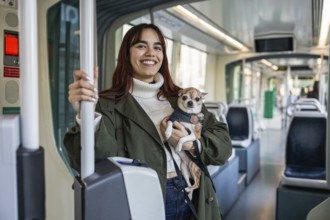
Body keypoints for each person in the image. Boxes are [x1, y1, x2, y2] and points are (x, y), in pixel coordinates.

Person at [64, 23, 232, 220]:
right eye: (141, 46)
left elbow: (223, 147)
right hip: (144, 197)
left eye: (157, 47)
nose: (151, 53)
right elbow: (94, 161)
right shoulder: (108, 104)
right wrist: (87, 113)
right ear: (126, 54)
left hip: (194, 195)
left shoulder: (182, 97)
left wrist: (192, 145)